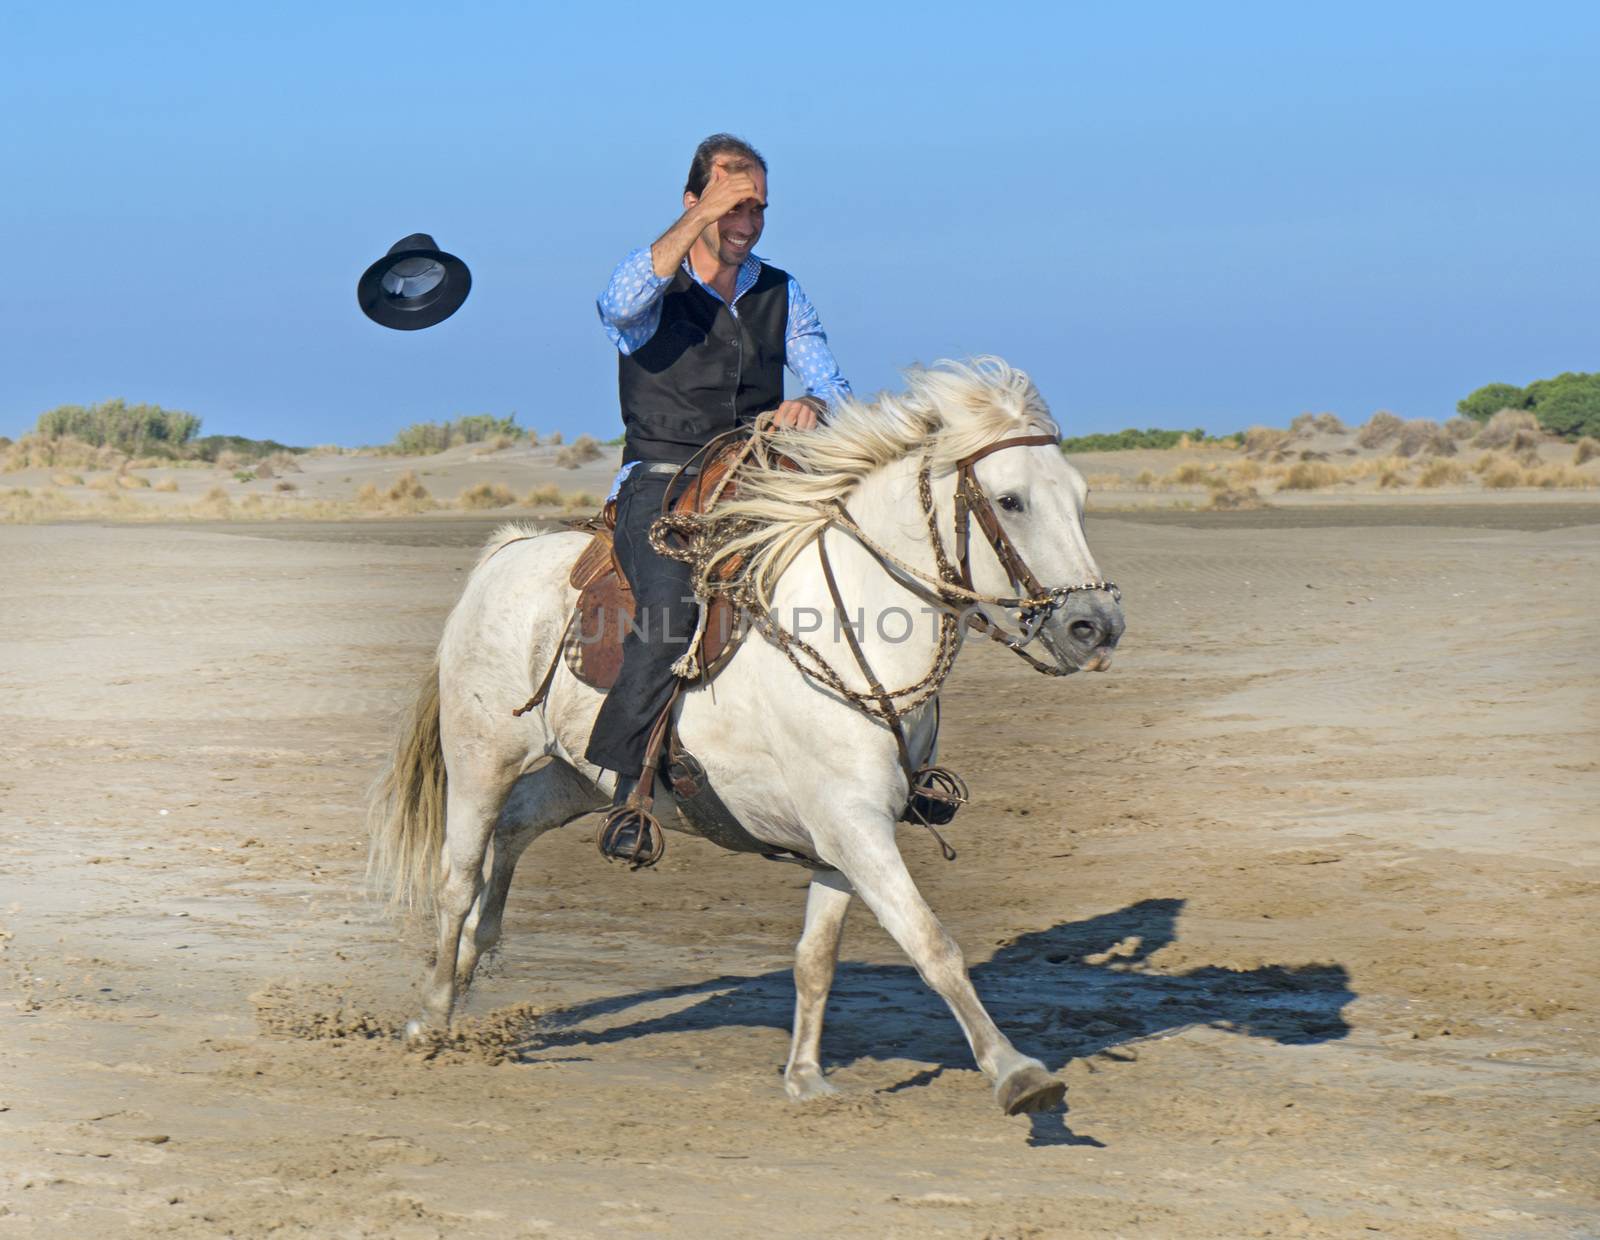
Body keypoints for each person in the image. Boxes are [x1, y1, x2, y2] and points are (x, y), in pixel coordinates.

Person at [584, 134, 851, 852]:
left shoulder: (781, 290)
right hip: (661, 479)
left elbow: (834, 386)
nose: (746, 223)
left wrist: (814, 409)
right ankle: (627, 784)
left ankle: (875, 760)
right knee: (672, 610)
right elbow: (614, 307)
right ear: (693, 201)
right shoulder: (653, 285)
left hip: (759, 479)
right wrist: (699, 222)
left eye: (757, 209)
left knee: (853, 576)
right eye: (734, 206)